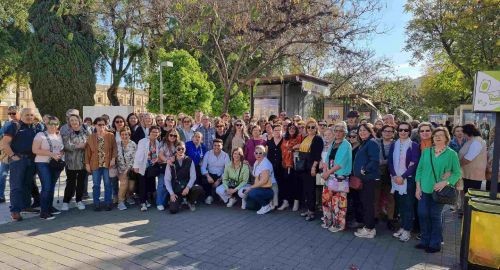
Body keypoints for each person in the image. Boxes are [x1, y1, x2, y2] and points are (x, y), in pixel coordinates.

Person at [415, 127, 461, 253]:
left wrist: (445, 182)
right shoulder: (427, 152)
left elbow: (457, 173)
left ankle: (435, 243)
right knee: (422, 214)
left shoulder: (451, 154)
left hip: (439, 191)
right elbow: (419, 170)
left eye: (441, 135)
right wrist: (418, 188)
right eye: (435, 135)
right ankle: (424, 240)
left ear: (446, 138)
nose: (438, 137)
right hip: (424, 189)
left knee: (435, 216)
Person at [1, 108, 42, 221]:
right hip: (18, 160)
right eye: (27, 115)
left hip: (32, 160)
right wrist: (13, 156)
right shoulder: (14, 126)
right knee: (16, 186)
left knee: (28, 184)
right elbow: (4, 143)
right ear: (21, 115)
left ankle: (26, 206)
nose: (29, 117)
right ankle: (15, 211)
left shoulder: (36, 127)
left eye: (31, 115)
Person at [388, 122, 421, 242]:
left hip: (408, 180)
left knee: (408, 206)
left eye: (405, 130)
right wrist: (394, 175)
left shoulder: (414, 145)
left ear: (409, 132)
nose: (403, 132)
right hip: (395, 179)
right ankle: (402, 227)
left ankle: (407, 230)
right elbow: (390, 161)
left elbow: (414, 163)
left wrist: (403, 176)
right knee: (400, 205)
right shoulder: (394, 144)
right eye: (400, 130)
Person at [320, 122, 352, 232]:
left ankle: (338, 224)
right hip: (329, 176)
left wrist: (327, 173)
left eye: (340, 131)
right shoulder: (333, 143)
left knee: (338, 202)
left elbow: (340, 163)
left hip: (339, 177)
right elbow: (327, 158)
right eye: (336, 130)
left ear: (345, 133)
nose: (338, 133)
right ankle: (328, 221)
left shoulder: (346, 145)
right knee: (326, 200)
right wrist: (325, 171)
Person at [32, 116, 64, 220]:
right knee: (46, 186)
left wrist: (60, 154)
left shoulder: (58, 136)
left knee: (51, 186)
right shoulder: (40, 135)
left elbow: (61, 149)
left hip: (54, 164)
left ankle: (49, 207)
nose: (53, 126)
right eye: (50, 123)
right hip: (42, 163)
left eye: (55, 124)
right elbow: (35, 150)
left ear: (58, 125)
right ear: (46, 124)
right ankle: (44, 212)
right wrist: (51, 154)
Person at [353, 123, 380, 238]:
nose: (362, 132)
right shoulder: (364, 143)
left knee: (368, 203)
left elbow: (374, 160)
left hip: (368, 178)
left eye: (365, 130)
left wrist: (364, 170)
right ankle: (367, 226)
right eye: (360, 130)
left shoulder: (372, 143)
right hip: (363, 179)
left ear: (370, 131)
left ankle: (370, 229)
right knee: (365, 203)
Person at [85, 117, 117, 211]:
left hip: (107, 165)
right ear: (95, 125)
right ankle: (96, 204)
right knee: (96, 185)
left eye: (103, 124)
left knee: (107, 184)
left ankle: (108, 203)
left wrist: (113, 159)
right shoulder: (91, 137)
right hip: (95, 164)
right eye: (99, 125)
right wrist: (87, 164)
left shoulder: (110, 135)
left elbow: (115, 148)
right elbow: (87, 152)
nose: (101, 126)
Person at [164, 141, 205, 214]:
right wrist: (171, 193)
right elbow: (167, 179)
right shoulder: (170, 162)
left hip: (187, 188)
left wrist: (188, 187)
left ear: (185, 149)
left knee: (198, 188)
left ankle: (190, 201)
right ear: (175, 150)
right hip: (176, 189)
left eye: (182, 149)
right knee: (173, 210)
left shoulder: (189, 160)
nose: (181, 150)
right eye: (178, 149)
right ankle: (180, 201)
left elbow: (193, 177)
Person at [62, 114, 90, 211]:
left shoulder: (86, 132)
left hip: (83, 162)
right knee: (70, 182)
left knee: (81, 183)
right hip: (71, 162)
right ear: (69, 122)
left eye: (75, 120)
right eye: (71, 120)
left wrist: (83, 145)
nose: (74, 122)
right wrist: (79, 146)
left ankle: (79, 200)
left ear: (79, 121)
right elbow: (66, 145)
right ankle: (66, 201)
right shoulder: (67, 133)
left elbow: (89, 144)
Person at [298, 119, 324, 221]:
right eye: (308, 127)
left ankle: (312, 211)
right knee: (306, 189)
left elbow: (317, 155)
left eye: (313, 127)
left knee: (311, 190)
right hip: (303, 167)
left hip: (311, 167)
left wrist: (314, 167)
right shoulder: (305, 137)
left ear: (316, 128)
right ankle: (308, 209)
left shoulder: (317, 139)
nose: (310, 129)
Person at [133, 126, 161, 211]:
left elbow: (157, 154)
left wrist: (156, 160)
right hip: (143, 166)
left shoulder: (157, 142)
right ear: (149, 132)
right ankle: (142, 203)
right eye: (153, 132)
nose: (155, 133)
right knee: (142, 185)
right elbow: (139, 154)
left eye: (156, 132)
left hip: (151, 166)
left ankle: (146, 200)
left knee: (149, 184)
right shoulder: (143, 141)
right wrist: (136, 166)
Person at [243, 145, 275, 214]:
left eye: (260, 153)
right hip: (260, 188)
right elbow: (254, 174)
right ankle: (265, 203)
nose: (258, 155)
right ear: (254, 153)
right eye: (256, 153)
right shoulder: (257, 162)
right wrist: (248, 165)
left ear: (264, 153)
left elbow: (264, 181)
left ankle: (266, 206)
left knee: (252, 193)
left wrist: (251, 188)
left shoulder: (266, 163)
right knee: (249, 206)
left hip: (268, 189)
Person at [279, 123, 303, 211]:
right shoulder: (285, 138)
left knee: (296, 183)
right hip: (285, 164)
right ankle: (286, 202)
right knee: (286, 183)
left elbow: (303, 147)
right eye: (290, 128)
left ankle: (296, 202)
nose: (291, 129)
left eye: (293, 128)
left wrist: (296, 147)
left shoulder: (299, 137)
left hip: (296, 164)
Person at [376, 124, 396, 230]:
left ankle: (390, 219)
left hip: (391, 175)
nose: (387, 133)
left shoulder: (396, 144)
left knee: (390, 198)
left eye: (390, 131)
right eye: (385, 131)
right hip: (378, 173)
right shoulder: (376, 142)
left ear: (393, 133)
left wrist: (384, 162)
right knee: (376, 196)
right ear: (381, 132)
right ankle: (376, 217)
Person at [459, 124, 487, 194]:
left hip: (473, 177)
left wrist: (457, 164)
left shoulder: (477, 141)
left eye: (463, 133)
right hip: (469, 175)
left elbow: (468, 159)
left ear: (467, 132)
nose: (463, 135)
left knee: (470, 196)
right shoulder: (472, 140)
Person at [157, 129, 181, 210]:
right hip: (163, 166)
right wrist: (167, 160)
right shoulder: (163, 143)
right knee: (161, 185)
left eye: (175, 135)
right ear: (168, 135)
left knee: (170, 185)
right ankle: (159, 203)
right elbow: (160, 154)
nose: (172, 137)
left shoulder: (178, 144)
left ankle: (167, 202)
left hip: (174, 167)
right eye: (171, 135)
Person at [0, 105, 20, 203]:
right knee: (2, 175)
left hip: (19, 154)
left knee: (16, 177)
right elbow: (1, 136)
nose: (11, 115)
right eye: (9, 113)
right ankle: (1, 195)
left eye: (13, 113)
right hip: (7, 154)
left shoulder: (24, 123)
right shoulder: (7, 124)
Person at [200, 139, 229, 205]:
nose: (216, 147)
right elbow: (203, 167)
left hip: (221, 176)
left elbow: (227, 170)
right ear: (212, 146)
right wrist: (208, 176)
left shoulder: (225, 155)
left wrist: (219, 180)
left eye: (219, 145)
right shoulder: (208, 153)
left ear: (222, 146)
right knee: (204, 179)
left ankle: (220, 195)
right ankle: (209, 196)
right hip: (210, 175)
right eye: (215, 145)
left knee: (226, 179)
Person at [116, 127, 137, 210]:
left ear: (129, 135)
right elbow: (115, 157)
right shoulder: (117, 144)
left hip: (130, 169)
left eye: (126, 134)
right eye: (122, 134)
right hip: (120, 169)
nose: (124, 136)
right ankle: (120, 201)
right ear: (120, 135)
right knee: (124, 183)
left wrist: (128, 169)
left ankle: (128, 196)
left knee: (131, 187)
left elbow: (134, 158)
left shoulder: (133, 144)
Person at [346, 129, 363, 229]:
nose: (351, 138)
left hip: (356, 176)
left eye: (354, 136)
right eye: (350, 136)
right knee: (351, 198)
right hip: (349, 175)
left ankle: (359, 220)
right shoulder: (349, 146)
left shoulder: (360, 147)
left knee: (357, 199)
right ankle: (354, 218)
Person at [266, 124, 283, 209]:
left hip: (281, 166)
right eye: (276, 130)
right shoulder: (269, 140)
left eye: (279, 130)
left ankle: (279, 202)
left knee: (280, 184)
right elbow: (266, 153)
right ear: (273, 131)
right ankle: (272, 202)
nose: (277, 132)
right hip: (271, 166)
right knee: (272, 184)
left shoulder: (284, 140)